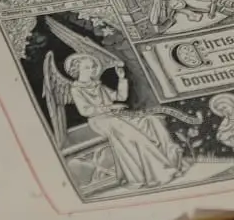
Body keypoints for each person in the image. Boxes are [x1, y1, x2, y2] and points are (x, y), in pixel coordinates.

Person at [64, 54, 184, 188]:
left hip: (115, 116)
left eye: (93, 67)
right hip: (99, 121)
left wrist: (121, 79)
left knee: (150, 121)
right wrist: (108, 108)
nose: (92, 70)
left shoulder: (98, 85)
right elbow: (85, 111)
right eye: (87, 68)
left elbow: (120, 97)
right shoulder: (76, 89)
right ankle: (158, 171)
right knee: (134, 134)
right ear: (77, 70)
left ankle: (171, 161)